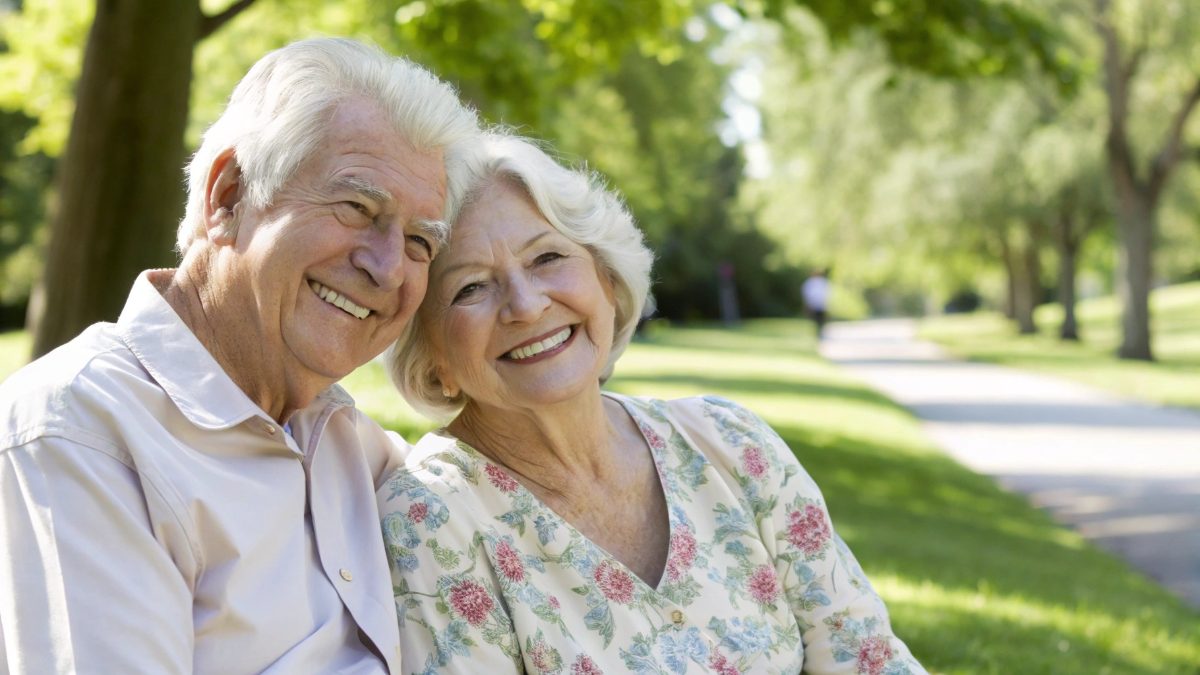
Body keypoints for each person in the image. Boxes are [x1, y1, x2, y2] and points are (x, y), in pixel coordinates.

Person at [0, 38, 478, 673]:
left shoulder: (344, 439)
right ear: (228, 196)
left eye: (421, 240)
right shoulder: (80, 435)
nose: (388, 267)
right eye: (357, 207)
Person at [379, 134, 925, 674]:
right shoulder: (432, 516)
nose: (525, 305)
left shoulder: (729, 442)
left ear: (608, 283)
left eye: (547, 257)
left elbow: (866, 657)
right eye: (471, 287)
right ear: (431, 356)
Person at [802, 268, 831, 339]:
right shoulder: (809, 283)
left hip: (821, 304)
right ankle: (817, 332)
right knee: (815, 320)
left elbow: (827, 294)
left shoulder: (823, 282)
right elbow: (806, 294)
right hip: (813, 304)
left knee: (821, 320)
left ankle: (820, 332)